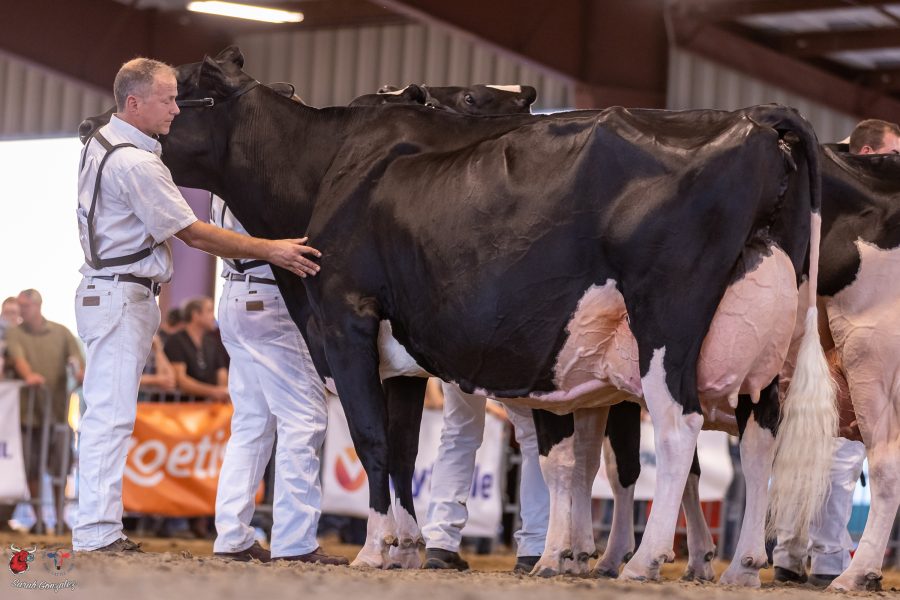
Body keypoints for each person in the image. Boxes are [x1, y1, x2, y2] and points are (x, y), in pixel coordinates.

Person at [73, 57, 320, 554]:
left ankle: (226, 534)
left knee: (116, 413)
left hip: (116, 290)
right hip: (122, 292)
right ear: (134, 102)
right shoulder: (136, 162)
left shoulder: (103, 142)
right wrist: (272, 250)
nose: (176, 109)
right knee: (111, 416)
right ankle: (96, 531)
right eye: (167, 100)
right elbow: (193, 234)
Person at [772, 118, 899, 586]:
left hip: (802, 333)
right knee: (840, 453)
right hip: (833, 335)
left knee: (806, 441)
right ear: (868, 154)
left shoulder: (813, 175)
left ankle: (791, 552)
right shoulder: (859, 199)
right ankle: (824, 557)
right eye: (892, 156)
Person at [210, 195, 346, 565]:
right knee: (304, 418)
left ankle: (232, 536)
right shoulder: (266, 170)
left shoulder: (219, 183)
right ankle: (295, 540)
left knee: (251, 423)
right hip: (271, 290)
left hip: (235, 290)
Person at [422, 382, 549, 573]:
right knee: (532, 434)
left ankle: (440, 543)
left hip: (458, 365)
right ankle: (534, 547)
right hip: (510, 366)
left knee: (457, 432)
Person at [3, 289, 85, 532]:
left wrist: (79, 372)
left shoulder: (61, 332)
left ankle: (60, 518)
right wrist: (29, 376)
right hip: (26, 414)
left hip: (58, 412)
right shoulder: (15, 333)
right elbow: (18, 357)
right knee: (31, 467)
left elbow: (75, 359)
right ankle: (38, 518)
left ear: (37, 305)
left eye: (25, 306)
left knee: (61, 466)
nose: (21, 310)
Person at [163, 297, 229, 401]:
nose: (213, 317)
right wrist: (214, 392)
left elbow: (222, 372)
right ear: (195, 315)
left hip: (211, 404)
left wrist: (223, 392)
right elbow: (180, 380)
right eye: (209, 311)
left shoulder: (212, 342)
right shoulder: (176, 341)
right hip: (182, 404)